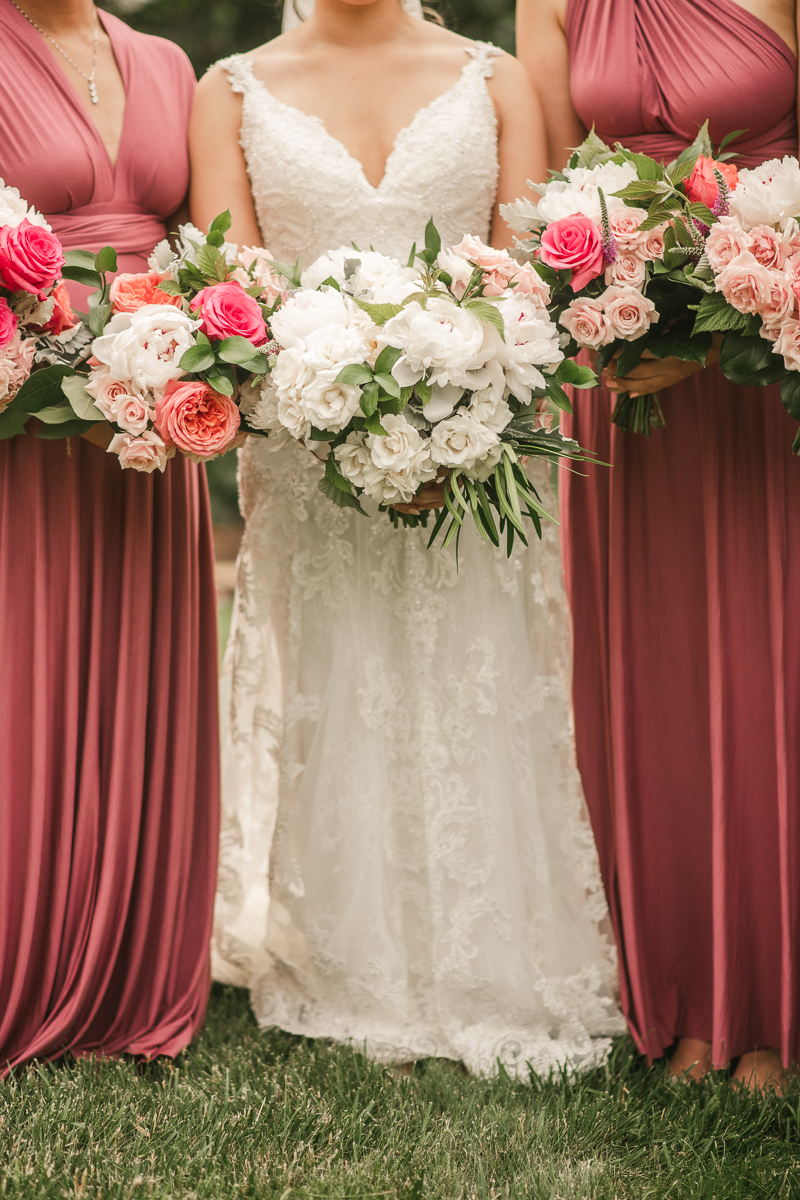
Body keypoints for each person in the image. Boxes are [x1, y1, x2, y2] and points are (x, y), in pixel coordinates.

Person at [190, 0, 623, 1077]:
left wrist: (455, 404)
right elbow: (234, 296)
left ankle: (494, 951)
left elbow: (533, 284)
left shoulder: (492, 79)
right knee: (339, 682)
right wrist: (345, 414)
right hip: (306, 444)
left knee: (481, 669)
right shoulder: (228, 89)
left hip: (481, 436)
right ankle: (349, 951)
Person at [517, 0, 800, 1092]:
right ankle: (676, 988)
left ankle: (770, 997)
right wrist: (594, 318)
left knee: (768, 668)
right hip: (622, 374)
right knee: (649, 675)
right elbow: (542, 192)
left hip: (758, 367)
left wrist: (740, 316)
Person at [0, 0, 219, 1071]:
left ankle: (129, 970)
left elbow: (197, 247)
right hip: (26, 420)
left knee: (142, 676)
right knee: (27, 679)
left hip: (150, 419)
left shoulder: (166, 62)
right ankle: (26, 958)